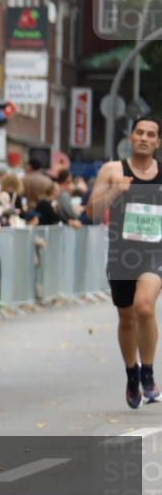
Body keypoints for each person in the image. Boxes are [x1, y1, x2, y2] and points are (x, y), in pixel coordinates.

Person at [88, 116, 162, 408]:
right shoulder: (113, 170)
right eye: (139, 132)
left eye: (151, 134)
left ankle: (148, 371)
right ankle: (132, 374)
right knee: (126, 317)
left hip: (155, 253)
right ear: (130, 138)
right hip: (122, 254)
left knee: (145, 307)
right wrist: (115, 190)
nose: (144, 137)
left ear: (157, 142)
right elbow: (92, 211)